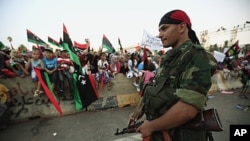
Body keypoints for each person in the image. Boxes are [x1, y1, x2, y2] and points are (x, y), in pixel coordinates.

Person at [129, 9, 217, 141]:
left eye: (164, 29)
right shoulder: (168, 58)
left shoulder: (198, 57)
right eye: (159, 30)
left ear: (182, 27)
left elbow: (188, 109)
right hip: (161, 133)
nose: (159, 35)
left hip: (180, 135)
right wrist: (142, 109)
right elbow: (158, 87)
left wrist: (151, 126)